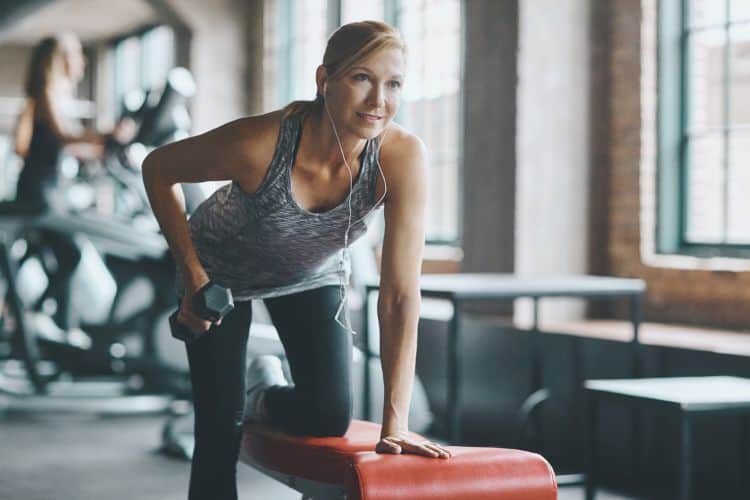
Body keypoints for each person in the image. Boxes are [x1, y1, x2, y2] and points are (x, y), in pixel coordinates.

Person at [142, 20, 451, 500]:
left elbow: (398, 295)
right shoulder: (259, 144)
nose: (378, 101)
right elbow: (158, 169)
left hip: (309, 273)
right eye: (361, 78)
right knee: (219, 434)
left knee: (329, 415)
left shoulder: (401, 156)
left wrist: (396, 425)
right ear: (323, 80)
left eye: (393, 84)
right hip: (220, 271)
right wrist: (192, 274)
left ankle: (261, 390)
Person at [7, 33, 131, 329]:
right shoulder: (46, 94)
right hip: (39, 195)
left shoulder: (58, 96)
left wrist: (101, 150)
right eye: (76, 54)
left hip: (52, 193)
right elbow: (63, 135)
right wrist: (106, 134)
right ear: (60, 59)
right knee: (71, 256)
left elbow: (68, 146)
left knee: (65, 258)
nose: (82, 60)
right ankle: (39, 317)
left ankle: (44, 319)